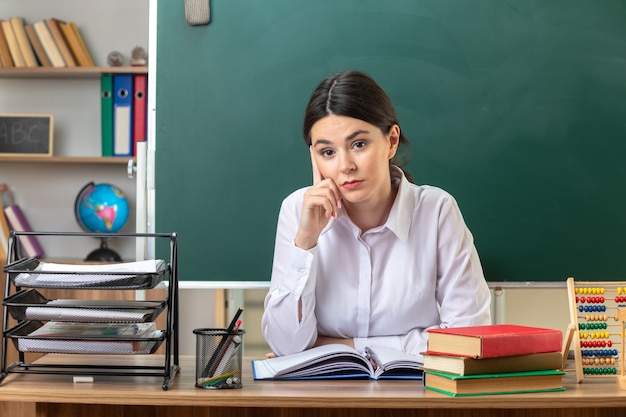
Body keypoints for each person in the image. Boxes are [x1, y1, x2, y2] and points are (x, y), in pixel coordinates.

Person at [261, 70, 491, 360]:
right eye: (328, 152)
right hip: (322, 394)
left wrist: (341, 347)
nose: (345, 166)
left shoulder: (436, 211)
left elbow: (469, 336)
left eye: (359, 144)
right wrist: (305, 243)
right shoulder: (298, 210)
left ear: (391, 141)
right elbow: (286, 347)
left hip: (420, 395)